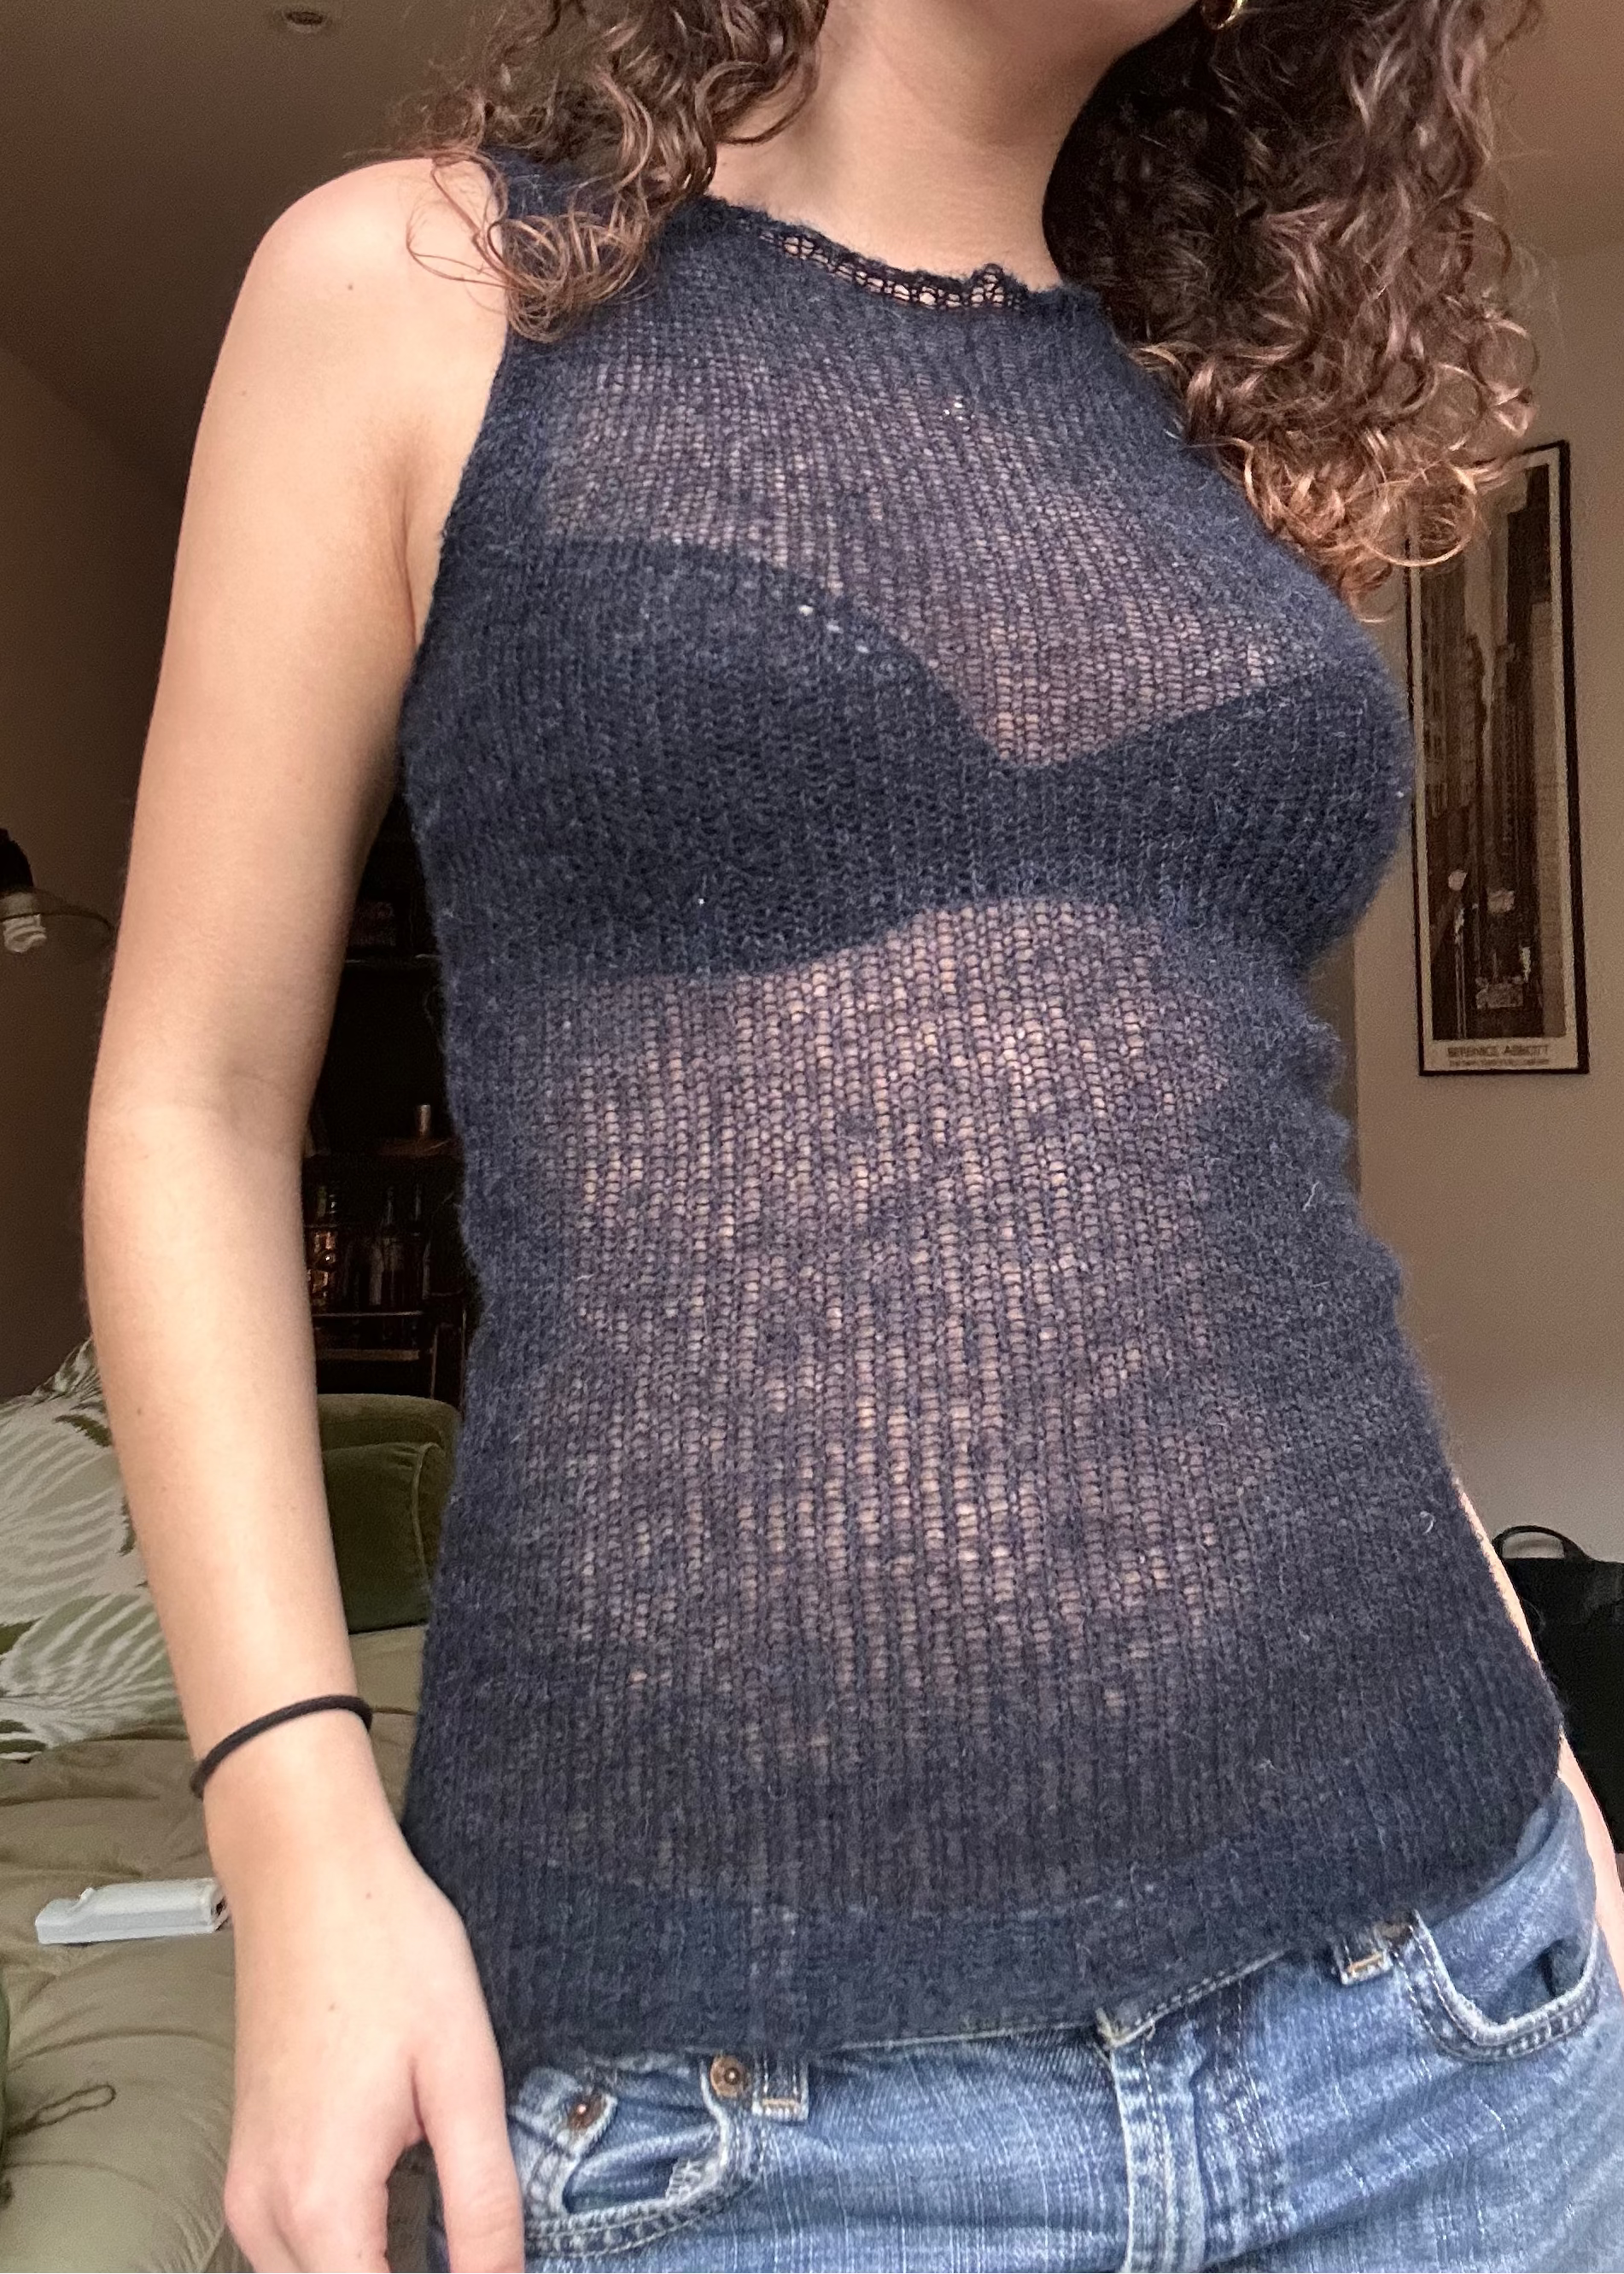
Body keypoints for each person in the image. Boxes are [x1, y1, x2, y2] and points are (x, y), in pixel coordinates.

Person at [83, 0, 1624, 2268]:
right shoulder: (415, 290)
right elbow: (190, 1098)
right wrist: (294, 1818)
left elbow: (1233, 1171)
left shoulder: (1217, 435)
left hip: (1447, 1999)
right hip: (732, 2121)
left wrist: (1537, 1733)